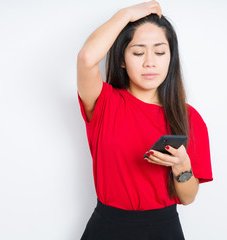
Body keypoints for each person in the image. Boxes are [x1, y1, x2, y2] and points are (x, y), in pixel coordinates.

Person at [76, 1, 213, 239]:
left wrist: (181, 165)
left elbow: (188, 197)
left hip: (163, 228)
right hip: (107, 226)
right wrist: (125, 15)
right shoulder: (105, 102)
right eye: (138, 52)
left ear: (171, 58)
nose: (150, 62)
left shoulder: (189, 117)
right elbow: (87, 58)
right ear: (121, 59)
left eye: (160, 52)